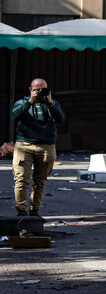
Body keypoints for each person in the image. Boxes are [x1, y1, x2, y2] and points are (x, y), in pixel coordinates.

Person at [11, 78, 65, 219]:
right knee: (21, 179)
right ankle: (21, 210)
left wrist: (50, 103)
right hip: (24, 145)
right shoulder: (22, 102)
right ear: (30, 90)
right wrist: (30, 101)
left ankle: (34, 210)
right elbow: (15, 115)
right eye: (37, 90)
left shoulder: (52, 104)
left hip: (46, 146)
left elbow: (61, 119)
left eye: (43, 89)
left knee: (40, 181)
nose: (40, 92)